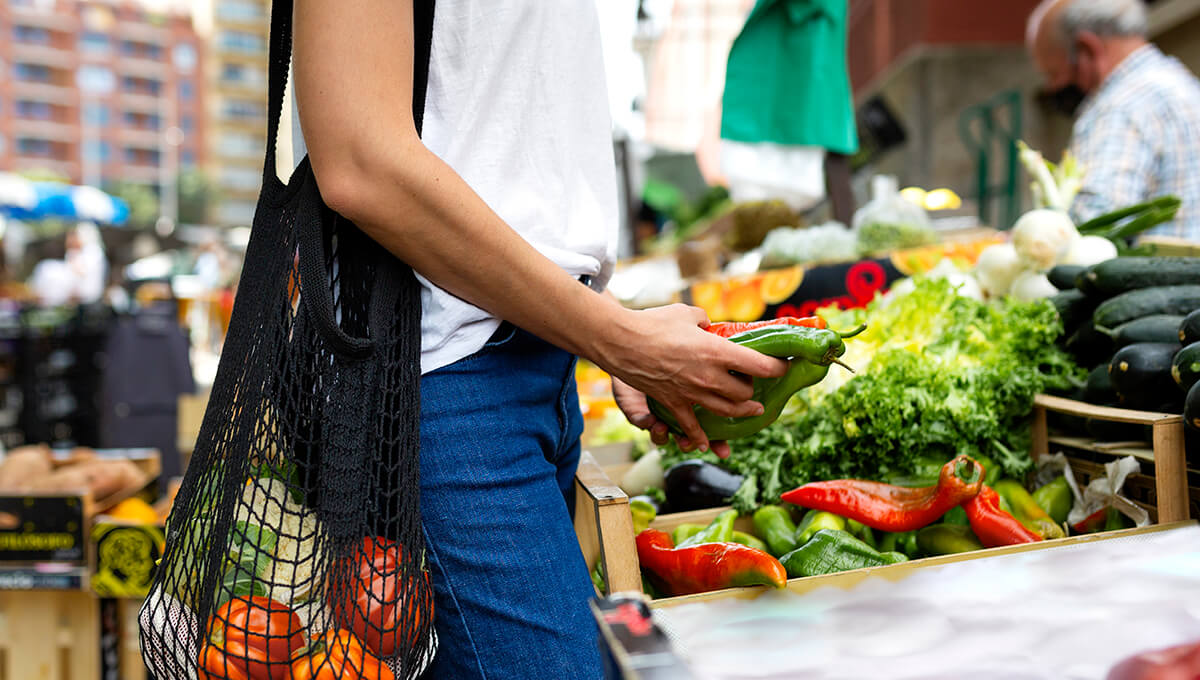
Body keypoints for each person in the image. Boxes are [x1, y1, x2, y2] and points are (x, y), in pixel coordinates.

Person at [290, 2, 787, 677]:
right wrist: (623, 342)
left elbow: (494, 160)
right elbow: (358, 159)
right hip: (441, 388)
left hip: (524, 372)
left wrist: (602, 317)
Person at [1027, 0, 1200, 241]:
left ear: (1086, 49)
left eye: (1053, 73)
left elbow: (1091, 225)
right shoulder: (1182, 82)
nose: (1052, 87)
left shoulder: (1120, 108)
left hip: (1152, 277)